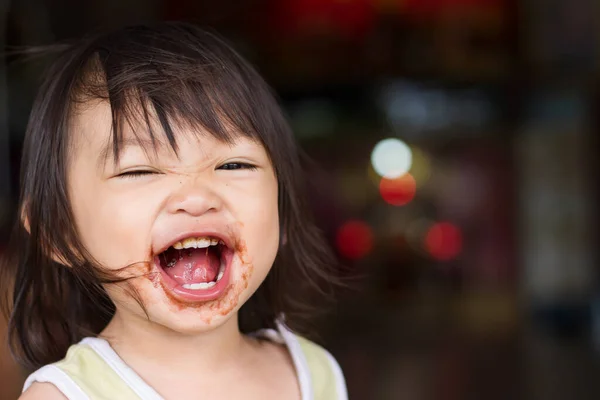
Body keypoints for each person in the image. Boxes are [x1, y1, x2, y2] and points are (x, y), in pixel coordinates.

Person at [0, 22, 347, 400]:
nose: (197, 197)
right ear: (60, 234)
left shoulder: (314, 374)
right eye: (139, 170)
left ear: (280, 211)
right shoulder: (64, 396)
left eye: (234, 165)